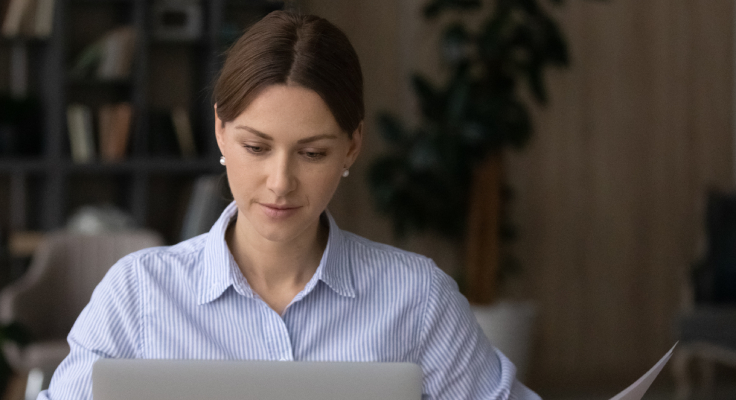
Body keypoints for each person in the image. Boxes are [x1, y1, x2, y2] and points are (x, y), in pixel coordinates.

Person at [40, 10, 539, 400]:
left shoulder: (416, 298)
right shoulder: (139, 294)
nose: (280, 182)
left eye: (312, 153)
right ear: (220, 130)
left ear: (352, 145)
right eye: (256, 148)